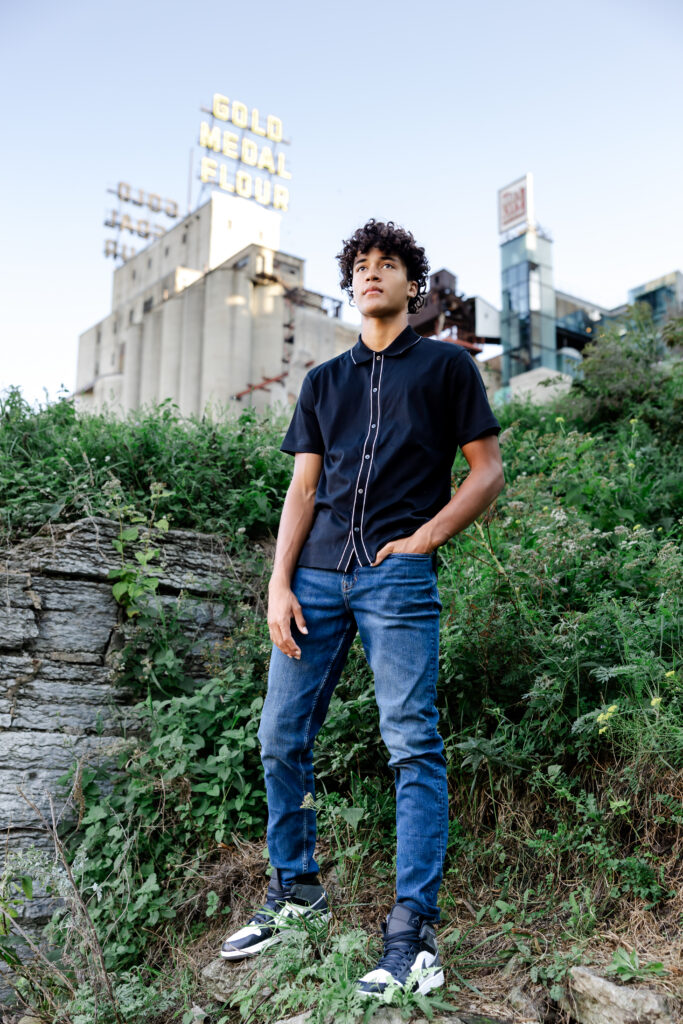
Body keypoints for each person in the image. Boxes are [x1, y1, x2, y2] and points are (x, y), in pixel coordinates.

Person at [220, 219, 504, 997]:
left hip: (394, 578)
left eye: (389, 265)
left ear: (413, 287)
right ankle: (296, 892)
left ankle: (412, 935)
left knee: (410, 743)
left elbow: (485, 473)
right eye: (361, 266)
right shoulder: (322, 382)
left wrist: (423, 540)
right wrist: (278, 583)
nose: (371, 274)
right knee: (279, 735)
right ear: (352, 286)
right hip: (314, 577)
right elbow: (303, 489)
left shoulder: (446, 369)